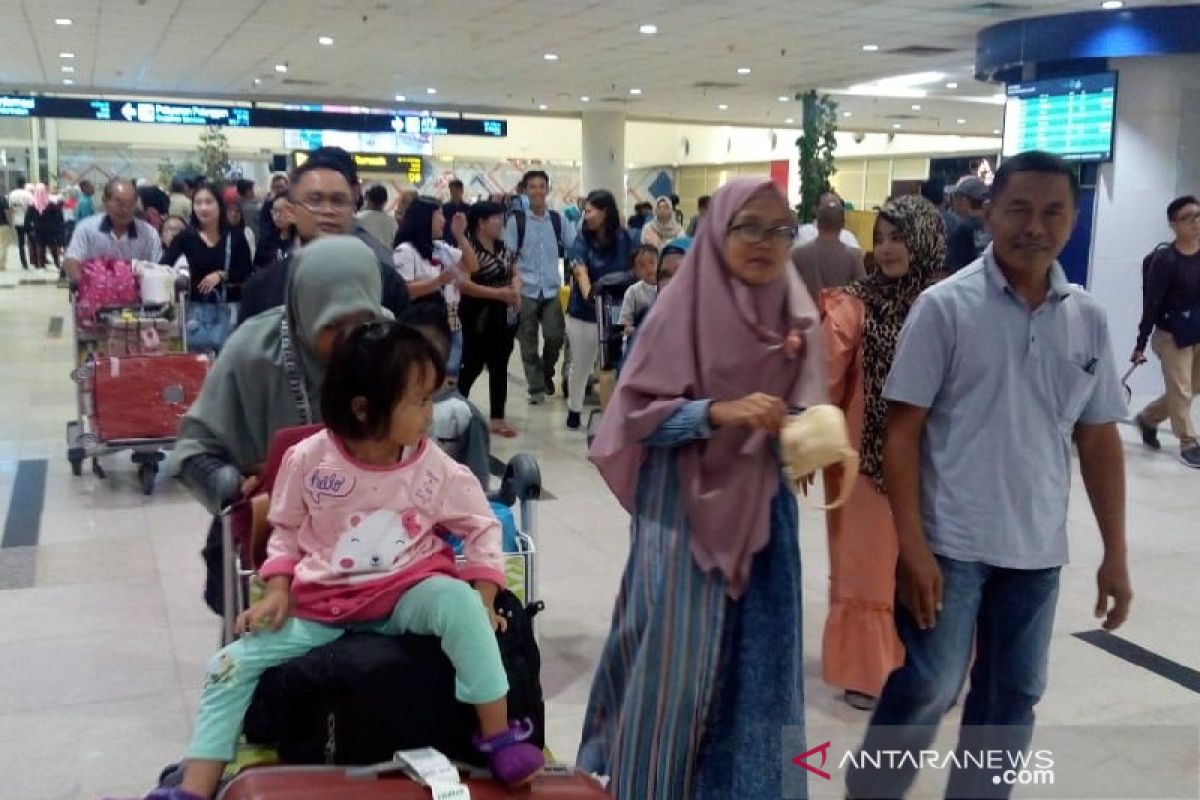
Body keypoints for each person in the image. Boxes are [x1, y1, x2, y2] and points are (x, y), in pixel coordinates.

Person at [146, 318, 544, 800]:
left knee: (458, 604)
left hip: (407, 594)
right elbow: (286, 530)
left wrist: (483, 596)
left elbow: (480, 524)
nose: (430, 414)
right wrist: (277, 590)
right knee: (228, 664)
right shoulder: (309, 460)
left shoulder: (430, 464)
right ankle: (194, 787)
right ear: (363, 408)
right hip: (322, 607)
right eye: (419, 401)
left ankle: (498, 734)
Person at [844, 152, 1132, 798]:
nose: (1036, 225)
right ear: (989, 214)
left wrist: (1115, 553)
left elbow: (1098, 438)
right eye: (1019, 209)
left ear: (1074, 218)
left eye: (1053, 211)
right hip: (950, 544)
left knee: (1013, 698)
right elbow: (902, 434)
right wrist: (912, 548)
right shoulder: (945, 308)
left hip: (1036, 552)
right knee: (930, 686)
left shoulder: (1087, 317)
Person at [580, 178, 824, 798]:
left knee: (762, 672)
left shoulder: (789, 308)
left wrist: (809, 436)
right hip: (683, 518)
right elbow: (636, 417)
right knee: (673, 669)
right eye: (750, 227)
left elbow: (799, 404)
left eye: (780, 230)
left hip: (764, 521)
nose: (766, 243)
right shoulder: (678, 307)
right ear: (718, 230)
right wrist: (720, 412)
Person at [172, 237, 393, 616]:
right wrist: (231, 481)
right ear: (304, 308)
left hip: (375, 541)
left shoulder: (390, 345)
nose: (351, 337)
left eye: (364, 320)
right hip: (270, 541)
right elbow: (192, 450)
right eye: (334, 323)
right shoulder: (253, 352)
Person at [819, 195, 945, 713]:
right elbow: (821, 378)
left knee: (932, 560)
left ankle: (934, 666)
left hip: (937, 458)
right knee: (868, 565)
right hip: (864, 461)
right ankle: (869, 671)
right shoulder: (853, 302)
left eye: (899, 237)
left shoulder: (948, 301)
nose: (889, 249)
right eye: (881, 238)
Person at [237, 153, 409, 325]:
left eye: (338, 201)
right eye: (315, 200)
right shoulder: (262, 287)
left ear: (352, 210)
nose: (328, 210)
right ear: (292, 212)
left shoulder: (386, 284)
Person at [1132, 194, 1200, 467]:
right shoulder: (1165, 260)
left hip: (1197, 330)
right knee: (1181, 389)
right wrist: (1140, 343)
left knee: (1193, 386)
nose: (1196, 222)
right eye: (1188, 218)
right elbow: (1152, 303)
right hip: (1170, 335)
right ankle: (1188, 442)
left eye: (1199, 216)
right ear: (1173, 224)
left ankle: (1148, 418)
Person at [505, 169, 576, 405]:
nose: (537, 191)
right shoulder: (516, 221)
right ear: (525, 190)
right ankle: (536, 388)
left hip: (551, 289)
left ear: (547, 189)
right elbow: (509, 256)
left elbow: (575, 245)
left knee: (555, 336)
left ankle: (546, 372)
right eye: (532, 186)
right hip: (526, 290)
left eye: (541, 186)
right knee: (528, 342)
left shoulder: (558, 220)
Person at [564, 190, 631, 431]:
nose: (586, 215)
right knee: (581, 364)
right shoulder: (582, 239)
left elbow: (634, 267)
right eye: (585, 211)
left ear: (605, 212)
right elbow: (580, 269)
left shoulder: (624, 238)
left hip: (615, 310)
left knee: (611, 365)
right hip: (583, 312)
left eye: (590, 211)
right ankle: (574, 409)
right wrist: (589, 293)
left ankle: (611, 414)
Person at [393, 196, 479, 380]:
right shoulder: (405, 251)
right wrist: (438, 281)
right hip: (423, 325)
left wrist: (460, 236)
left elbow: (472, 265)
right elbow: (404, 289)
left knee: (451, 376)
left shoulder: (440, 248)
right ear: (424, 218)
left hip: (452, 320)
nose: (443, 220)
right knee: (427, 376)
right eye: (438, 214)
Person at [457, 201, 522, 438]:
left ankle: (497, 418)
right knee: (473, 362)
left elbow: (514, 272)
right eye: (495, 218)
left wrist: (515, 288)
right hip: (477, 314)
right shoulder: (468, 248)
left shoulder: (502, 246)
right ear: (481, 223)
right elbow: (463, 284)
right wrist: (498, 294)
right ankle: (456, 406)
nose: (500, 222)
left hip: (503, 314)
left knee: (499, 364)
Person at [160, 184, 253, 311]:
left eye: (209, 202)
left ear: (219, 205)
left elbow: (246, 272)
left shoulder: (235, 237)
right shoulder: (186, 237)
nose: (203, 208)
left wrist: (222, 275)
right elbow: (164, 267)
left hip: (229, 310)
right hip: (196, 311)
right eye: (198, 203)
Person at [64, 178, 163, 283]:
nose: (125, 209)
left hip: (138, 296)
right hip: (95, 295)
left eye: (130, 204)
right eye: (119, 203)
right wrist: (83, 285)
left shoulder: (149, 234)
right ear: (105, 201)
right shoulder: (86, 229)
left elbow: (158, 267)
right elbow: (72, 260)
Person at [792, 197, 866, 297]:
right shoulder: (854, 256)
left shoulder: (798, 254)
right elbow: (863, 291)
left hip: (807, 311)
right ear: (842, 224)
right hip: (841, 312)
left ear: (818, 223)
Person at [945, 175, 991, 272]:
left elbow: (957, 270)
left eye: (954, 197)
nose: (953, 202)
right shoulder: (995, 225)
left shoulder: (961, 230)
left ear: (963, 201)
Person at [618, 244, 660, 336]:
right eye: (642, 266)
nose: (649, 268)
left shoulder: (668, 287)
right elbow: (625, 324)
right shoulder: (633, 291)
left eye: (652, 262)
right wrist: (633, 330)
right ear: (636, 271)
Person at [795, 191, 861, 249]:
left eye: (836, 207)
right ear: (815, 209)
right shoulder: (805, 231)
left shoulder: (848, 236)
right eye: (826, 206)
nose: (831, 211)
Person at [29, 184, 67, 273]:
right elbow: (58, 217)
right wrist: (59, 228)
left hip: (38, 230)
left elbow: (28, 219)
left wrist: (30, 229)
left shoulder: (32, 206)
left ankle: (41, 266)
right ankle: (57, 264)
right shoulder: (51, 205)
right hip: (50, 230)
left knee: (40, 247)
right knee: (53, 247)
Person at [253, 196, 295, 268]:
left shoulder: (300, 240)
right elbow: (258, 266)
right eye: (274, 212)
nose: (277, 216)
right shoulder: (266, 240)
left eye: (281, 211)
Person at [356, 184, 397, 249]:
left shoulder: (358, 218)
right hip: (386, 256)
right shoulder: (391, 221)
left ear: (368, 199)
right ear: (385, 201)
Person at [256, 172, 290, 244]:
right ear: (272, 188)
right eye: (276, 187)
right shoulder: (268, 205)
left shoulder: (293, 202)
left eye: (281, 186)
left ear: (287, 186)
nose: (279, 190)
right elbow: (264, 223)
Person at [224, 197, 256, 263]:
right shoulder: (220, 232)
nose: (234, 214)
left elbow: (252, 255)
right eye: (230, 211)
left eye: (237, 211)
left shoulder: (247, 232)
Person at [442, 178, 471, 246]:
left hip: (463, 240)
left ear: (462, 191)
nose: (454, 193)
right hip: (448, 240)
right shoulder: (444, 208)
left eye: (456, 191)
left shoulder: (468, 208)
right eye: (452, 191)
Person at [0, 183, 11, 272]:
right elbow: (7, 211)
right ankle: (1, 265)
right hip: (3, 224)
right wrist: (10, 222)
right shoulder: (2, 199)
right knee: (3, 245)